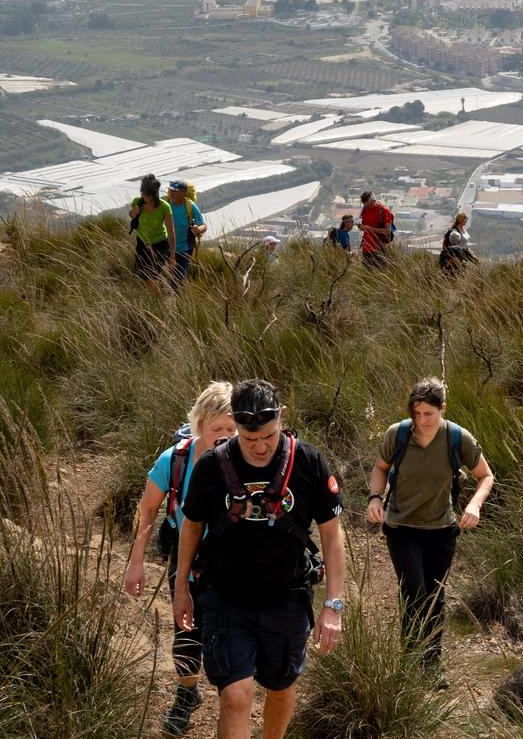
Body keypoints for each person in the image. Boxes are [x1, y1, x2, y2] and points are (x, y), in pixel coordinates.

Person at [173, 380, 347, 739]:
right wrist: (181, 588)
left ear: (281, 418)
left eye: (267, 435)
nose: (260, 446)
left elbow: (332, 536)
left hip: (286, 596)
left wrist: (333, 606)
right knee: (237, 695)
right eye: (249, 438)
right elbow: (191, 527)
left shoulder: (309, 462)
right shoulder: (212, 466)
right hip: (224, 596)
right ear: (235, 424)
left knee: (281, 689)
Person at [123, 383, 237, 736]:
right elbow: (147, 509)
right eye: (217, 429)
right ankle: (188, 693)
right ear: (199, 424)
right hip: (186, 559)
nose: (225, 437)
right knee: (185, 626)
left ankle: (232, 701)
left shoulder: (246, 461)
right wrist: (136, 561)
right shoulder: (175, 460)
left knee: (228, 630)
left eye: (232, 429)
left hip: (233, 561)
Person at [366, 378, 494, 681]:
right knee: (414, 593)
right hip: (401, 527)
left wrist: (474, 505)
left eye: (428, 414)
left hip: (441, 529)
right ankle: (410, 664)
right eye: (417, 413)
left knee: (435, 596)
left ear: (442, 409)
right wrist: (374, 498)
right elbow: (380, 467)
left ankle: (432, 664)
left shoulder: (456, 438)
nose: (421, 420)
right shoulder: (397, 435)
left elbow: (485, 476)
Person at [130, 173, 177, 296]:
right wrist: (134, 213)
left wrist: (172, 256)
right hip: (142, 244)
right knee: (146, 276)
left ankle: (160, 300)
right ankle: (160, 296)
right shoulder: (137, 202)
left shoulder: (164, 207)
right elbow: (131, 215)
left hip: (160, 244)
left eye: (148, 194)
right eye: (143, 193)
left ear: (154, 193)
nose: (145, 196)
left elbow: (171, 231)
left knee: (152, 276)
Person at [167, 180, 208, 288]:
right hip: (167, 248)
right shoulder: (166, 204)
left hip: (185, 249)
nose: (171, 193)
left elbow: (204, 225)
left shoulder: (190, 206)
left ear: (184, 193)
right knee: (167, 276)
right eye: (170, 190)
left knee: (178, 278)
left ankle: (175, 301)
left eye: (175, 191)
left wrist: (198, 229)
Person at [358, 191, 393, 270]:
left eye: (368, 204)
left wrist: (370, 229)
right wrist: (361, 227)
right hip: (366, 247)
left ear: (373, 201)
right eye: (364, 204)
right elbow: (364, 225)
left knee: (380, 273)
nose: (366, 206)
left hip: (379, 247)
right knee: (367, 275)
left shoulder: (384, 210)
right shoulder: (365, 210)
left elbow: (387, 231)